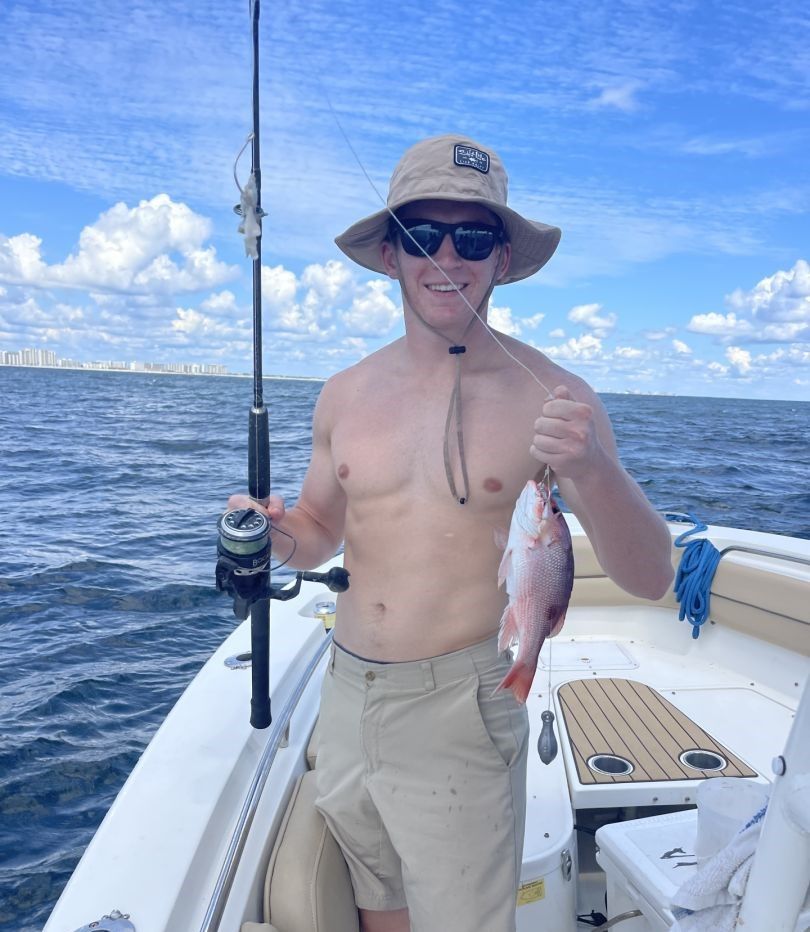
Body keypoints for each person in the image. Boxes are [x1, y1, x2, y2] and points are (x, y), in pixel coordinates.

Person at [228, 134, 674, 932]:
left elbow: (650, 578)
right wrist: (270, 537)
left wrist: (597, 471)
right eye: (420, 234)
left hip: (461, 706)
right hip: (344, 693)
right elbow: (322, 530)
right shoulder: (343, 394)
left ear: (502, 258)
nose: (446, 256)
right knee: (381, 908)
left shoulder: (557, 397)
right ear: (391, 255)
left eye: (471, 237)